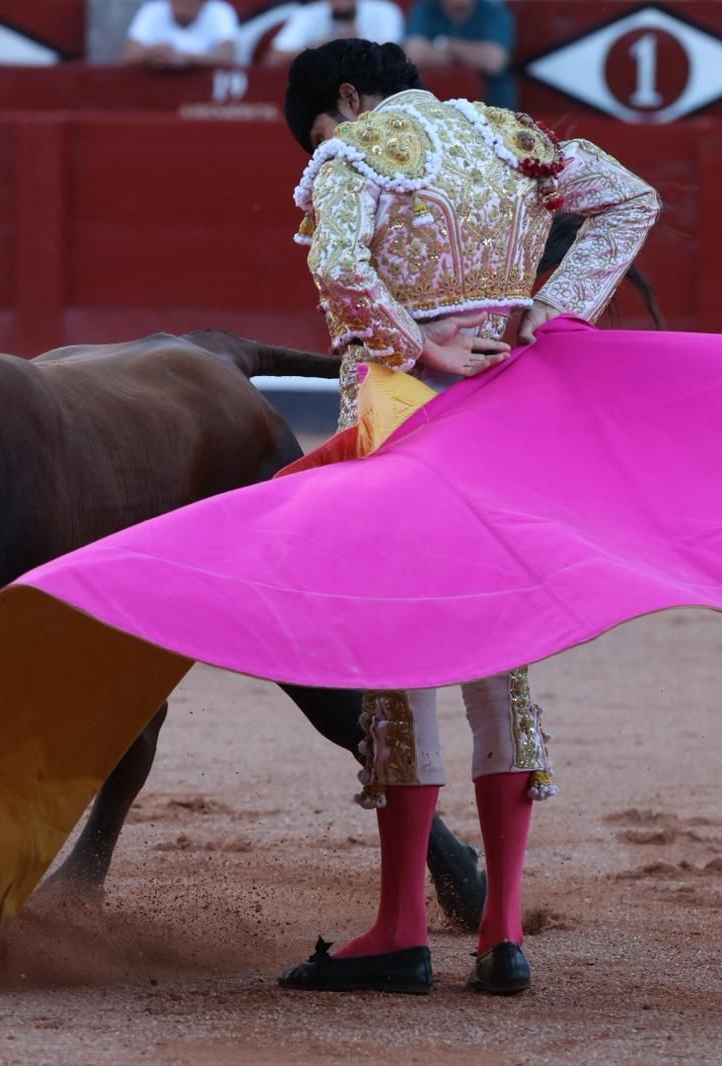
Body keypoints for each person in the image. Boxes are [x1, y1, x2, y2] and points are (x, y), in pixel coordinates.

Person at [278, 39, 660, 995]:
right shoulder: (516, 136)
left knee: (401, 649)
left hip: (404, 408)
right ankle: (502, 933)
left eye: (318, 128)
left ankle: (403, 929)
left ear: (348, 98)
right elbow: (632, 200)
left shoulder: (356, 150)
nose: (322, 146)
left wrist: (418, 348)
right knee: (500, 646)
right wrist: (550, 314)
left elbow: (336, 267)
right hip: (508, 412)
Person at [404, 0, 517, 108]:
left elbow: (493, 62)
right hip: (431, 107)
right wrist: (469, 56)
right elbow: (414, 54)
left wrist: (445, 44)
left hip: (491, 107)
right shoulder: (425, 9)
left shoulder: (495, 12)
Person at [265, 0, 406, 67]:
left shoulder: (385, 11)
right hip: (319, 88)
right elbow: (273, 59)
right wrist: (316, 49)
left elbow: (395, 60)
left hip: (371, 88)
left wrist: (359, 45)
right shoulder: (307, 14)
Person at [120, 0, 241, 69]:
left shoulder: (220, 12)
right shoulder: (152, 10)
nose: (181, 9)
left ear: (203, 3)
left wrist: (185, 59)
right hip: (155, 89)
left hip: (204, 95)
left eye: (188, 4)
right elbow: (128, 57)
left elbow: (228, 57)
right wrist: (153, 54)